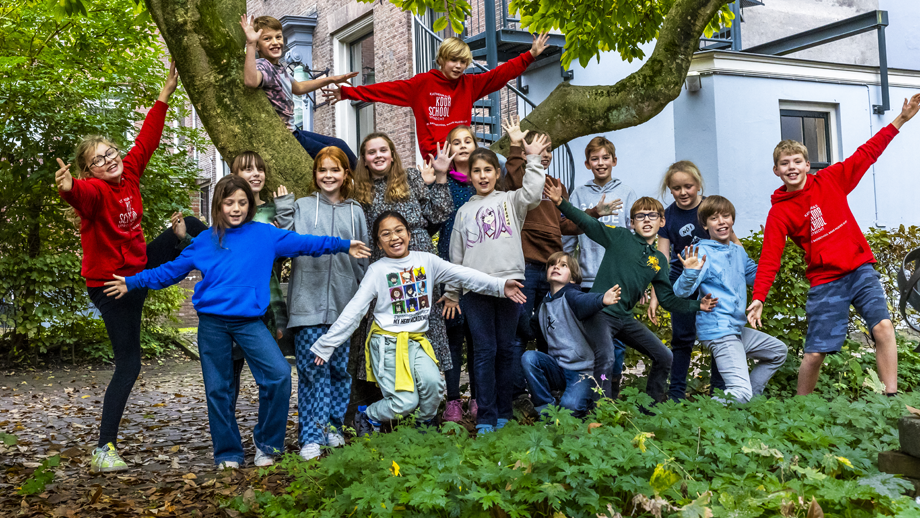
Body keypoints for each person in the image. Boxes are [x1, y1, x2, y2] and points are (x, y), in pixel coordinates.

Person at [104, 175, 371, 469]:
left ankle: (267, 445)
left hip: (249, 322)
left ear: (249, 205)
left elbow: (306, 243)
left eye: (242, 202)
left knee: (279, 374)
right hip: (213, 324)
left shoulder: (265, 235)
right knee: (218, 388)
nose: (235, 208)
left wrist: (344, 245)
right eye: (229, 202)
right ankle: (228, 453)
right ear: (219, 204)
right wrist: (133, 281)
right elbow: (170, 271)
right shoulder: (205, 240)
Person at [54, 62, 208, 473]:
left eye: (111, 154)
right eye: (99, 161)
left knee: (190, 226)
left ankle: (225, 262)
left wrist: (165, 93)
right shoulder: (94, 193)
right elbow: (80, 195)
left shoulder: (131, 173)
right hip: (111, 287)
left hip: (138, 270)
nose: (110, 161)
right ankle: (104, 449)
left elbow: (148, 140)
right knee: (130, 363)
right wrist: (70, 188)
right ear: (90, 171)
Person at [748, 93, 920, 396]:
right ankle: (802, 407)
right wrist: (759, 296)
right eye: (784, 163)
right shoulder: (780, 211)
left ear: (807, 165)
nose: (791, 167)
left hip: (860, 270)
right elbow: (770, 257)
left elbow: (866, 153)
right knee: (815, 353)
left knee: (883, 328)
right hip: (826, 280)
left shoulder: (831, 180)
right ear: (776, 171)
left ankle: (890, 397)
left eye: (797, 161)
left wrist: (901, 119)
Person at [309, 211, 526, 436]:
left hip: (417, 341)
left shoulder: (426, 261)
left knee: (434, 387)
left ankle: (422, 427)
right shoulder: (377, 270)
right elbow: (355, 310)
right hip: (387, 343)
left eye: (399, 231)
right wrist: (327, 344)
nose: (394, 237)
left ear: (409, 234)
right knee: (404, 402)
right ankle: (368, 414)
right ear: (378, 243)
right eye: (386, 234)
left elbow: (464, 275)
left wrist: (501, 286)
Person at [547, 190, 718, 405]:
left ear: (662, 221)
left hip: (623, 318)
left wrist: (698, 305)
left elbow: (667, 299)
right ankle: (602, 409)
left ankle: (651, 407)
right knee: (607, 357)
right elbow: (587, 223)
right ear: (631, 222)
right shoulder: (620, 236)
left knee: (665, 357)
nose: (646, 220)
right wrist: (561, 202)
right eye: (640, 216)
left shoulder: (659, 260)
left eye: (652, 215)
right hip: (599, 313)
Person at [502, 119, 622, 407]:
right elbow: (516, 174)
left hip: (551, 267)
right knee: (520, 329)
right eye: (538, 148)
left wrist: (593, 212)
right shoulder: (520, 178)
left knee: (549, 330)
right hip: (526, 267)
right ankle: (518, 394)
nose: (544, 154)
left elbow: (567, 225)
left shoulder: (557, 186)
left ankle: (554, 384)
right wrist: (518, 145)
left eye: (549, 150)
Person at [444, 135, 548, 433]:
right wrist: (452, 294)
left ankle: (504, 412)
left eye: (488, 170)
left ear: (497, 173)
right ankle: (486, 415)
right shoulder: (463, 213)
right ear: (470, 176)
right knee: (484, 351)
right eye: (476, 171)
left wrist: (533, 160)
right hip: (476, 292)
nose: (482, 175)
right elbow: (456, 259)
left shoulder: (511, 201)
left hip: (511, 287)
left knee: (505, 349)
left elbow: (532, 192)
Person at [275, 147, 369, 460]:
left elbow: (362, 262)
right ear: (315, 175)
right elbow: (284, 245)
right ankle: (311, 437)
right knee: (313, 373)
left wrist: (361, 300)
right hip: (307, 305)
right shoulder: (302, 206)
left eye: (335, 170)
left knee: (339, 371)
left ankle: (332, 426)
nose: (328, 176)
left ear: (346, 175)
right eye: (322, 170)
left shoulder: (356, 211)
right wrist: (285, 210)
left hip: (344, 307)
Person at [321, 34, 550, 159]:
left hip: (464, 155)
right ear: (441, 60)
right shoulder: (422, 84)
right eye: (454, 60)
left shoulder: (470, 84)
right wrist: (346, 92)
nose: (459, 66)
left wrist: (529, 55)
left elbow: (500, 75)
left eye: (463, 62)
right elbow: (385, 90)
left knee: (497, 164)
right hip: (437, 158)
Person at [352, 133, 455, 385]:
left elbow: (438, 213)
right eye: (372, 152)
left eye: (383, 150)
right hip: (382, 260)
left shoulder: (410, 177)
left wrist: (440, 177)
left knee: (425, 318)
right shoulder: (358, 190)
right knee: (390, 316)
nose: (378, 156)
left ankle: (428, 390)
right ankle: (391, 393)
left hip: (418, 255)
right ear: (364, 159)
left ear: (392, 154)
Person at [673, 196, 787, 403]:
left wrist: (773, 247)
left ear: (732, 220)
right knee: (739, 392)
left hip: (735, 329)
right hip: (719, 330)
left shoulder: (737, 251)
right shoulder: (702, 253)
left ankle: (750, 402)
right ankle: (702, 416)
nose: (722, 221)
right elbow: (680, 292)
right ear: (705, 224)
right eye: (714, 218)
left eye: (726, 216)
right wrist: (689, 272)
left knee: (778, 352)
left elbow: (758, 277)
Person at [648, 161, 726, 401]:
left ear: (698, 184)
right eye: (676, 188)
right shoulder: (668, 216)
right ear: (669, 189)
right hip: (682, 279)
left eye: (688, 186)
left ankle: (720, 393)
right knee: (682, 338)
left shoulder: (711, 206)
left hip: (712, 279)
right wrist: (655, 294)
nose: (683, 192)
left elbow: (732, 241)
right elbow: (661, 257)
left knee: (719, 336)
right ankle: (676, 396)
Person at [240, 15, 359, 168]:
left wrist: (331, 79)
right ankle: (365, 186)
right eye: (267, 39)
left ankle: (366, 182)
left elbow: (298, 88)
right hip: (286, 136)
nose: (275, 42)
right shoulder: (263, 65)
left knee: (339, 144)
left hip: (294, 130)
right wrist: (250, 43)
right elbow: (251, 80)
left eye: (278, 37)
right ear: (258, 45)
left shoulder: (279, 68)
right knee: (336, 154)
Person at [522, 252, 621, 417]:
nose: (556, 267)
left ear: (573, 278)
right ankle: (546, 410)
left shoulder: (571, 295)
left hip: (582, 372)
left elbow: (584, 301)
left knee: (569, 409)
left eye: (563, 265)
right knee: (529, 358)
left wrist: (602, 299)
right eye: (553, 264)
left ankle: (586, 400)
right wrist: (515, 308)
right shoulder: (544, 305)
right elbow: (530, 331)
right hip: (558, 368)